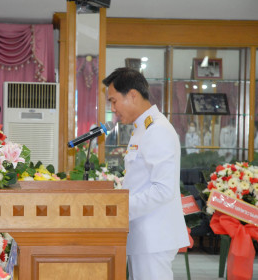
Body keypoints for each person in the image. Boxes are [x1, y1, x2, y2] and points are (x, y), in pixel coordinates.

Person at [102, 67, 189, 280]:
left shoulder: (157, 130)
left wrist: (119, 207)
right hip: (144, 233)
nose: (113, 108)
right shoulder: (143, 128)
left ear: (132, 94)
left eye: (114, 101)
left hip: (154, 236)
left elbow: (163, 190)